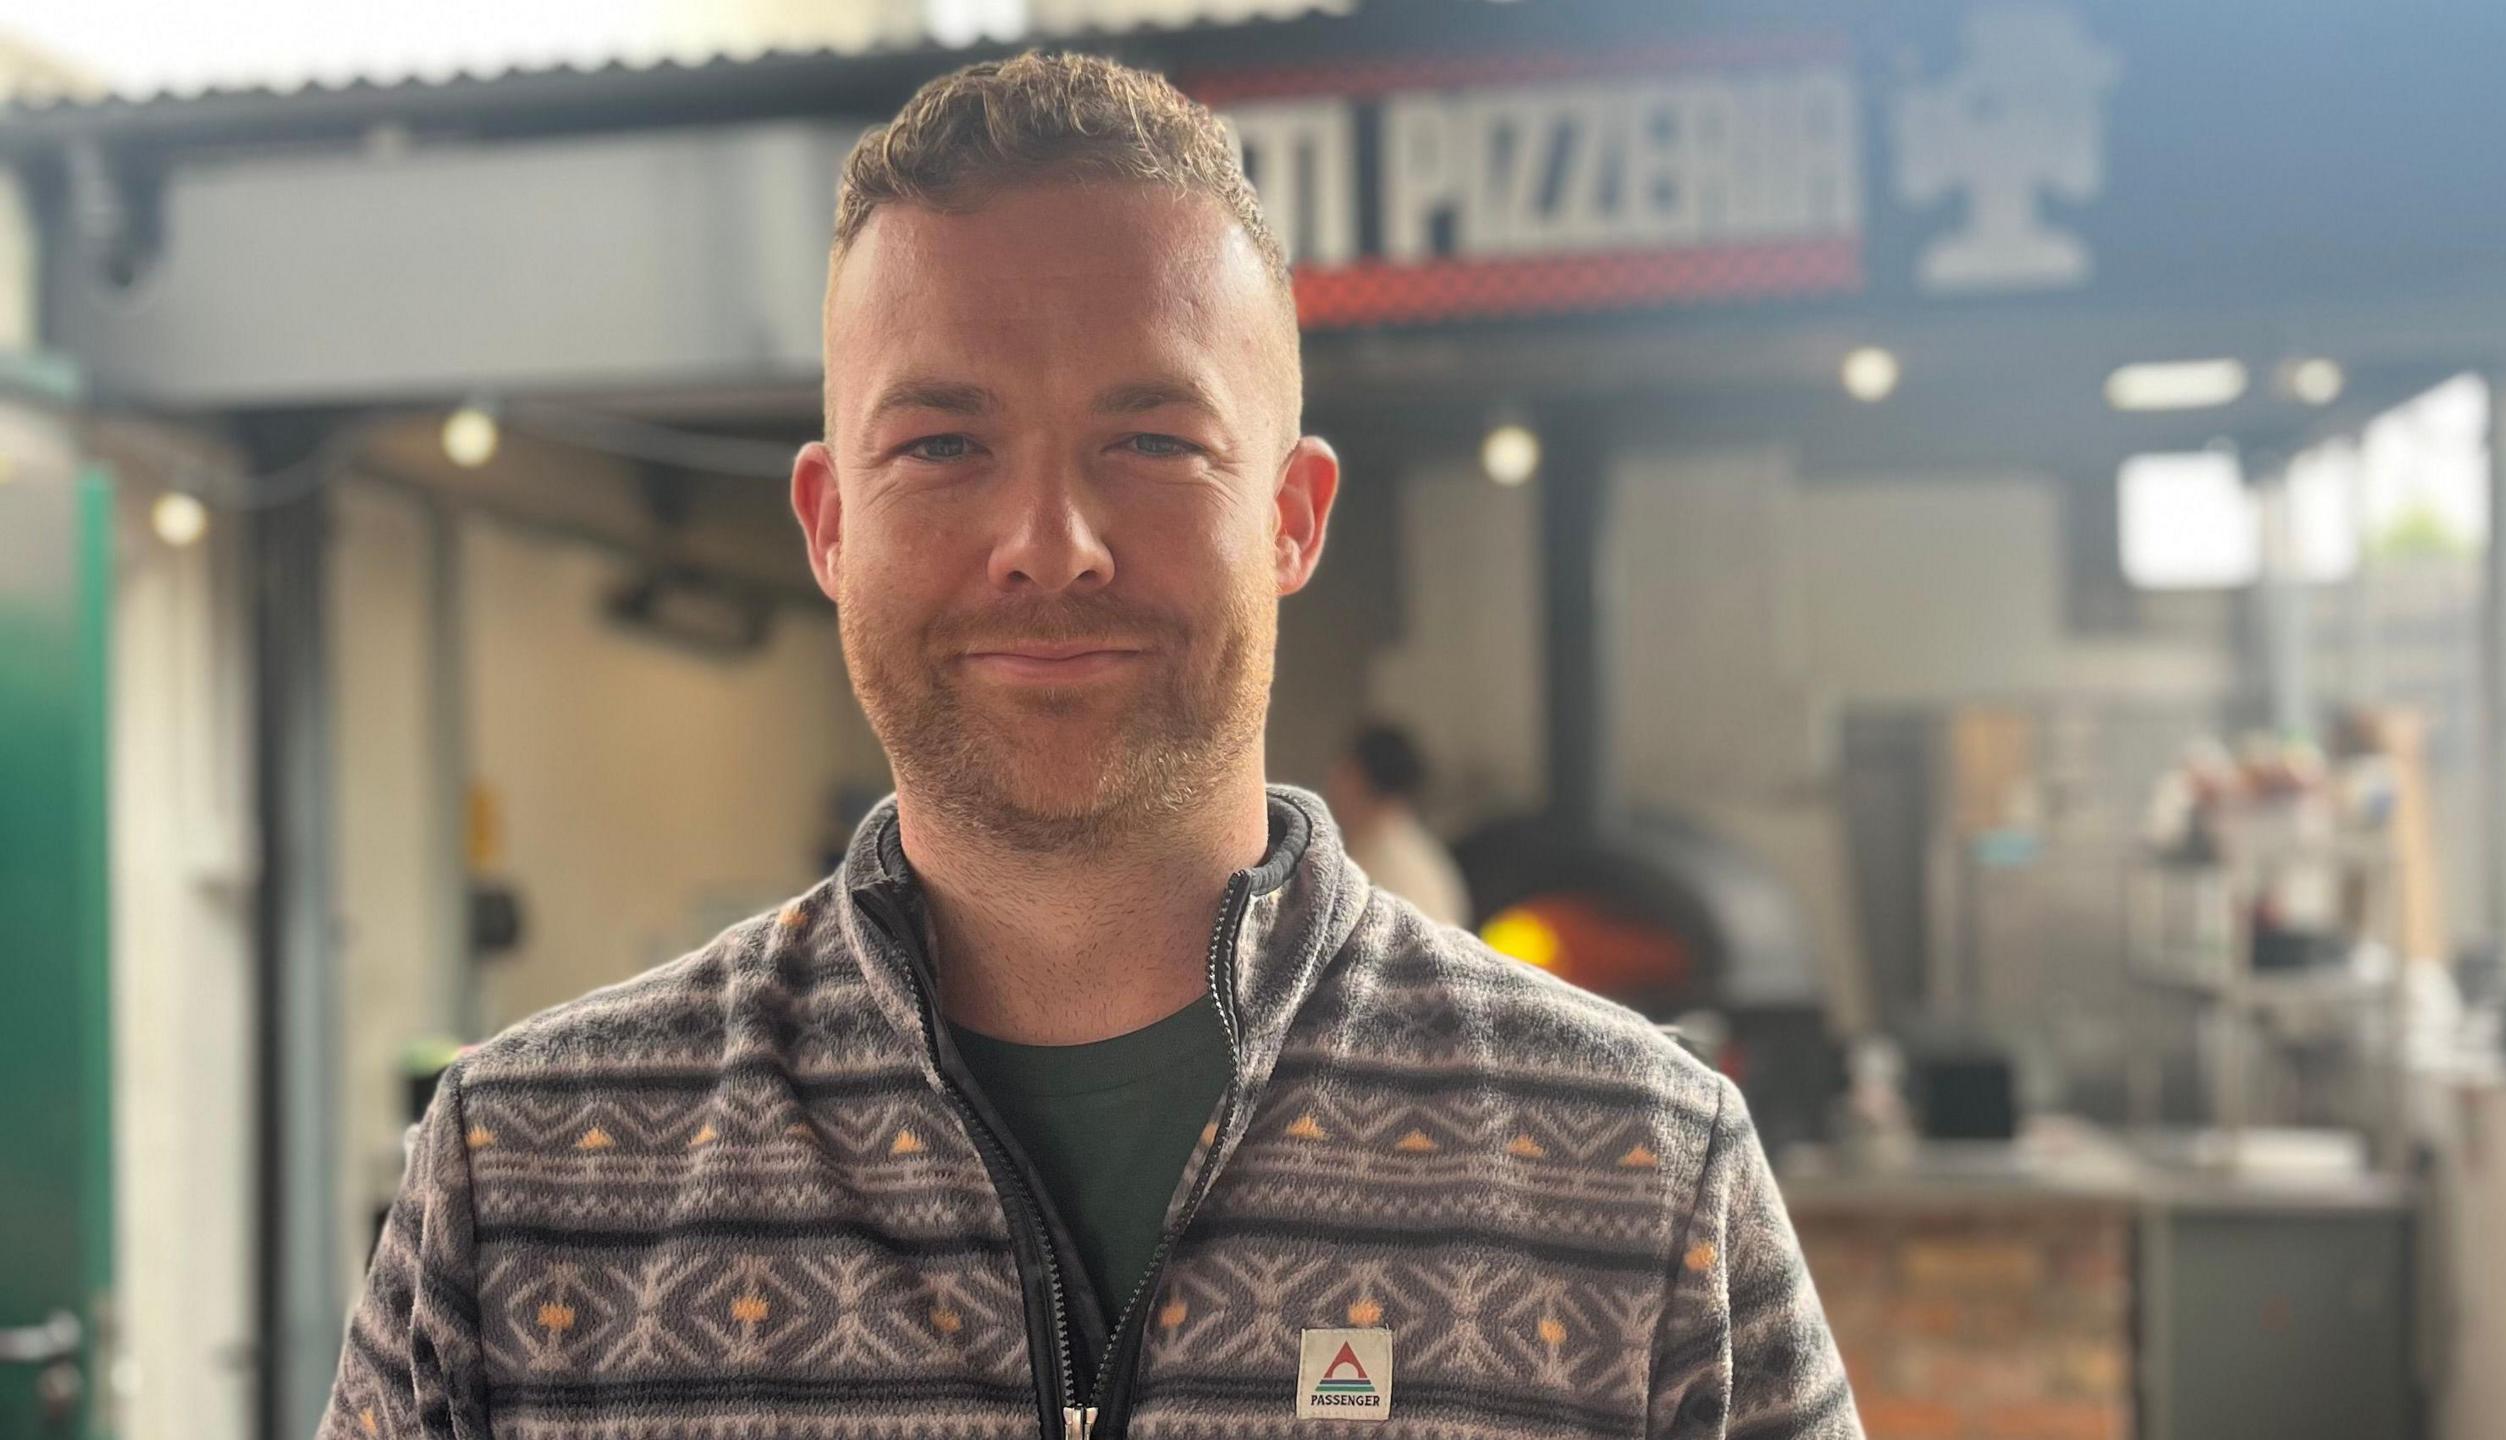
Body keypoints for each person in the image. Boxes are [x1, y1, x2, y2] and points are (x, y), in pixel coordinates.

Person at [321, 52, 1858, 1440]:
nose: (1048, 549)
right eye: (941, 445)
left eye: (1152, 441)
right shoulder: (531, 1183)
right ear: (829, 524)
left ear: (1291, 516)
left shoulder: (1639, 1173)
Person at [1327, 721, 1473, 928]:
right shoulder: (1409, 852)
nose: (1333, 781)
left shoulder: (1389, 862)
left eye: (1343, 770)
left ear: (1358, 779)